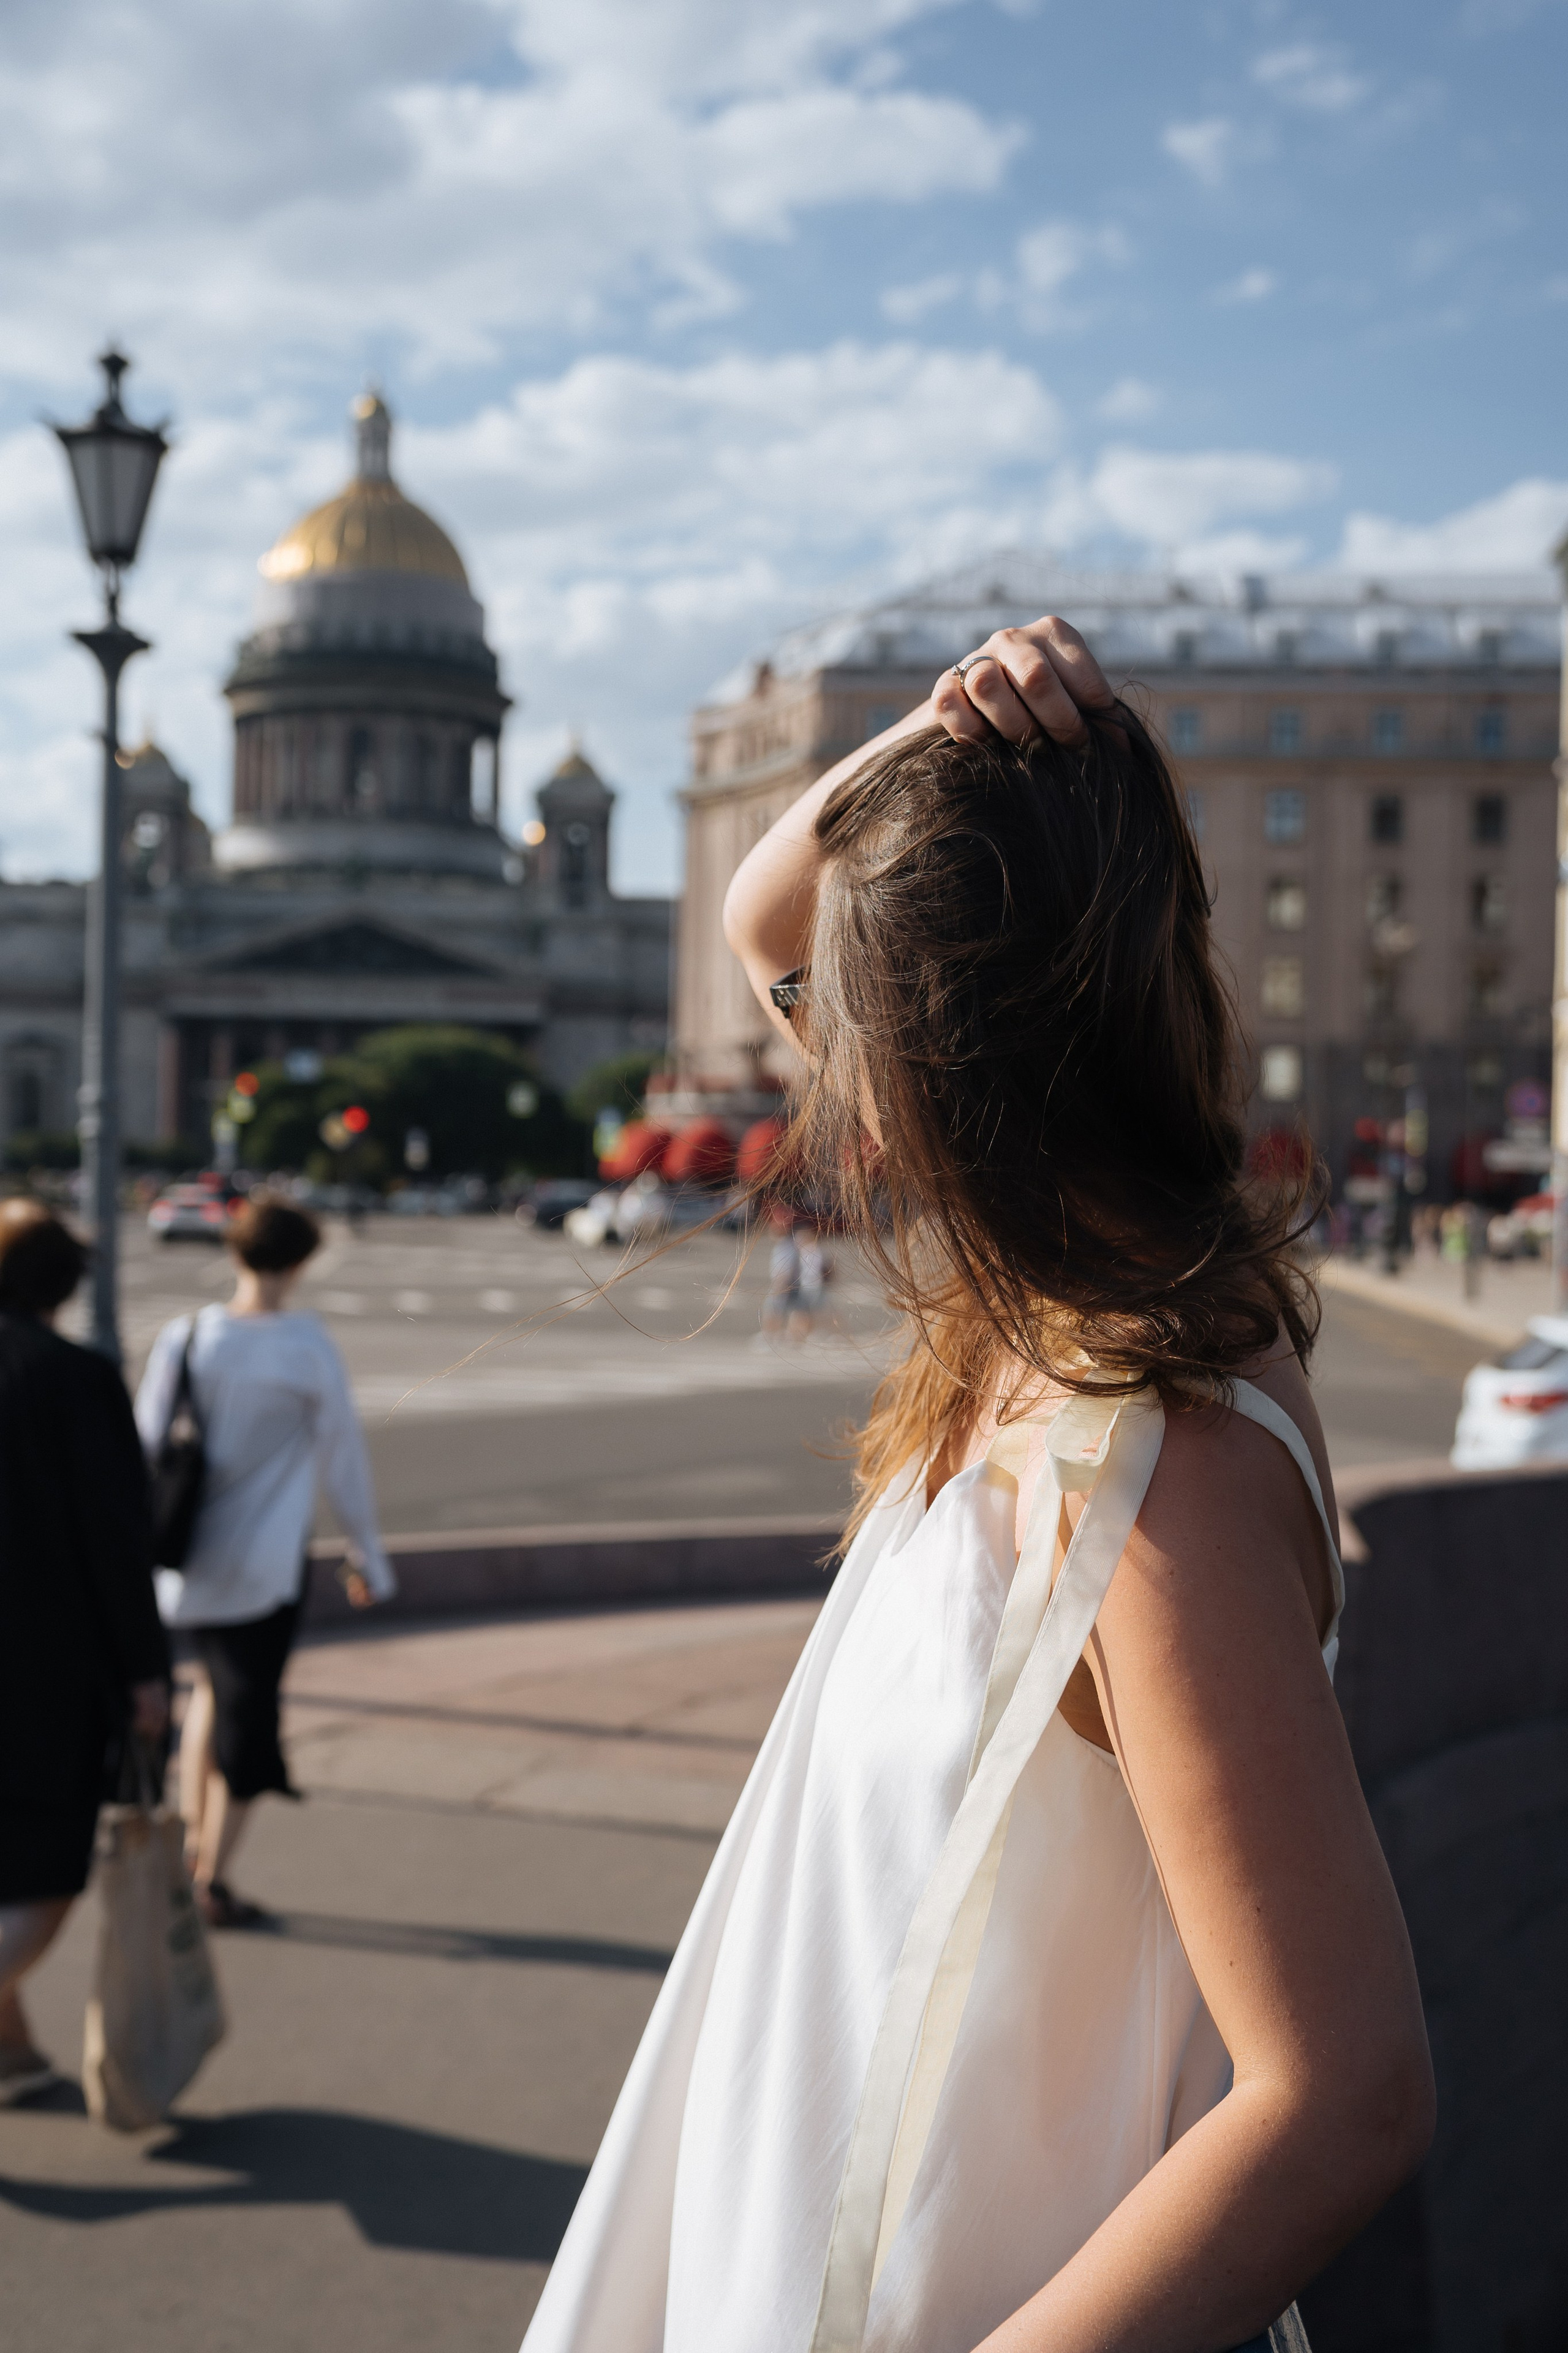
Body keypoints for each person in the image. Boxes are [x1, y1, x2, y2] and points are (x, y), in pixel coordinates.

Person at [522, 619, 1434, 2353]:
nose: (823, 1069)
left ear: (950, 1066)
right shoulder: (1054, 1338)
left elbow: (1343, 2093)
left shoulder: (1153, 1451)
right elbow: (763, 915)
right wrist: (945, 724)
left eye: (847, 1020)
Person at [135, 1196, 394, 1930]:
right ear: (302, 1261)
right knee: (247, 1719)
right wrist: (368, 1554)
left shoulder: (188, 1336)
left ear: (234, 1251)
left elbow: (144, 1442)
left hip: (186, 1562)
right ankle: (211, 1879)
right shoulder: (306, 1346)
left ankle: (193, 1850)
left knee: (210, 1692)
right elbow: (343, 1460)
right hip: (266, 1566)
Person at [0, 1201, 168, 2106]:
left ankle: (11, 2054)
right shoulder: (74, 1378)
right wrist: (146, 1671)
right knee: (48, 1872)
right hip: (44, 1668)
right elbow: (116, 1540)